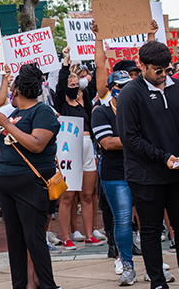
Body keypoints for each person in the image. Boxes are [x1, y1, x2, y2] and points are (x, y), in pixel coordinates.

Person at [0, 63, 59, 289]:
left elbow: (37, 145)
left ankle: (47, 285)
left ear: (15, 89)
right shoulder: (15, 113)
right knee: (15, 241)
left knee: (34, 240)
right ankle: (19, 284)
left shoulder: (42, 111)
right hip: (7, 181)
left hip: (31, 183)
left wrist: (5, 123)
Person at [117, 41, 179, 289]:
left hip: (176, 173)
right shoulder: (131, 93)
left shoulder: (175, 87)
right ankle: (158, 282)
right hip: (145, 176)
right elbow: (129, 138)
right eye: (158, 70)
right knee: (151, 230)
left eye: (167, 69)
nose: (164, 75)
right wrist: (163, 157)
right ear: (142, 66)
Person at [91, 70, 139, 285]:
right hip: (115, 172)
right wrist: (138, 140)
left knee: (147, 219)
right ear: (111, 89)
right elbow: (107, 143)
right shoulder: (101, 112)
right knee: (122, 218)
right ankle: (126, 263)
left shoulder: (138, 109)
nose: (124, 89)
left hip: (140, 170)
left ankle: (153, 264)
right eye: (120, 86)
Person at [54, 46, 102, 249]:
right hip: (68, 148)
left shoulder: (84, 100)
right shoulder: (61, 102)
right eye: (71, 84)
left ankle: (90, 233)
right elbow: (62, 80)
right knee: (68, 195)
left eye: (77, 84)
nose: (75, 87)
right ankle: (66, 237)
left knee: (88, 194)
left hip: (87, 146)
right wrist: (66, 60)